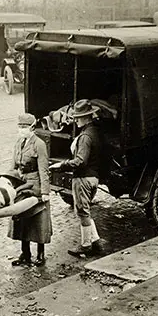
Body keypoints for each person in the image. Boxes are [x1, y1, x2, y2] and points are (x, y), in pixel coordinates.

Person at [50, 99, 105, 258]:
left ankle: (85, 245)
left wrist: (61, 166)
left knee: (82, 212)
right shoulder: (95, 131)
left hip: (83, 179)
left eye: (78, 117)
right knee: (85, 211)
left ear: (86, 117)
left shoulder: (85, 137)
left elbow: (80, 161)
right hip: (94, 177)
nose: (76, 120)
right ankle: (96, 243)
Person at [9, 113, 52, 267]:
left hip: (35, 186)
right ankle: (25, 253)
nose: (21, 130)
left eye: (25, 127)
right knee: (22, 219)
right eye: (20, 127)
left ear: (32, 128)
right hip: (21, 184)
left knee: (38, 220)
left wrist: (45, 192)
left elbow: (44, 169)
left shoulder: (39, 144)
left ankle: (40, 253)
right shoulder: (18, 143)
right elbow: (13, 165)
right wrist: (9, 182)